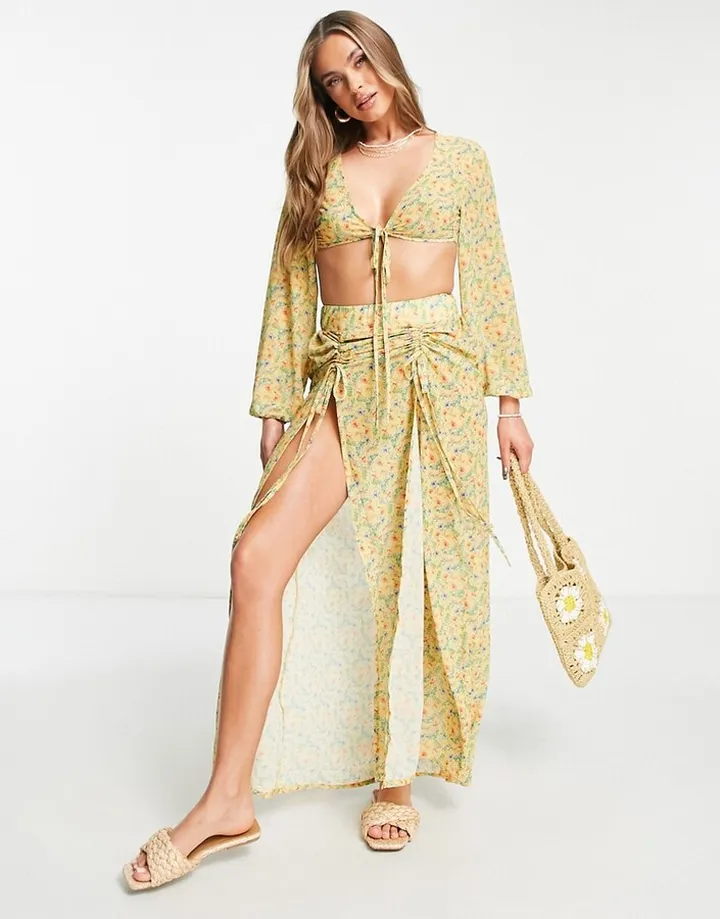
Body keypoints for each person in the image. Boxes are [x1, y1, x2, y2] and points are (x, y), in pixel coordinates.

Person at [123, 9, 534, 890]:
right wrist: (275, 404)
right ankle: (226, 799)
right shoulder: (316, 170)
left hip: (435, 382)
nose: (353, 85)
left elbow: (491, 279)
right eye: (332, 80)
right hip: (343, 381)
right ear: (324, 98)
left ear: (386, 58)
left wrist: (509, 403)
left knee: (407, 575)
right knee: (255, 558)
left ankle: (396, 776)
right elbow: (286, 289)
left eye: (359, 63)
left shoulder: (461, 160)